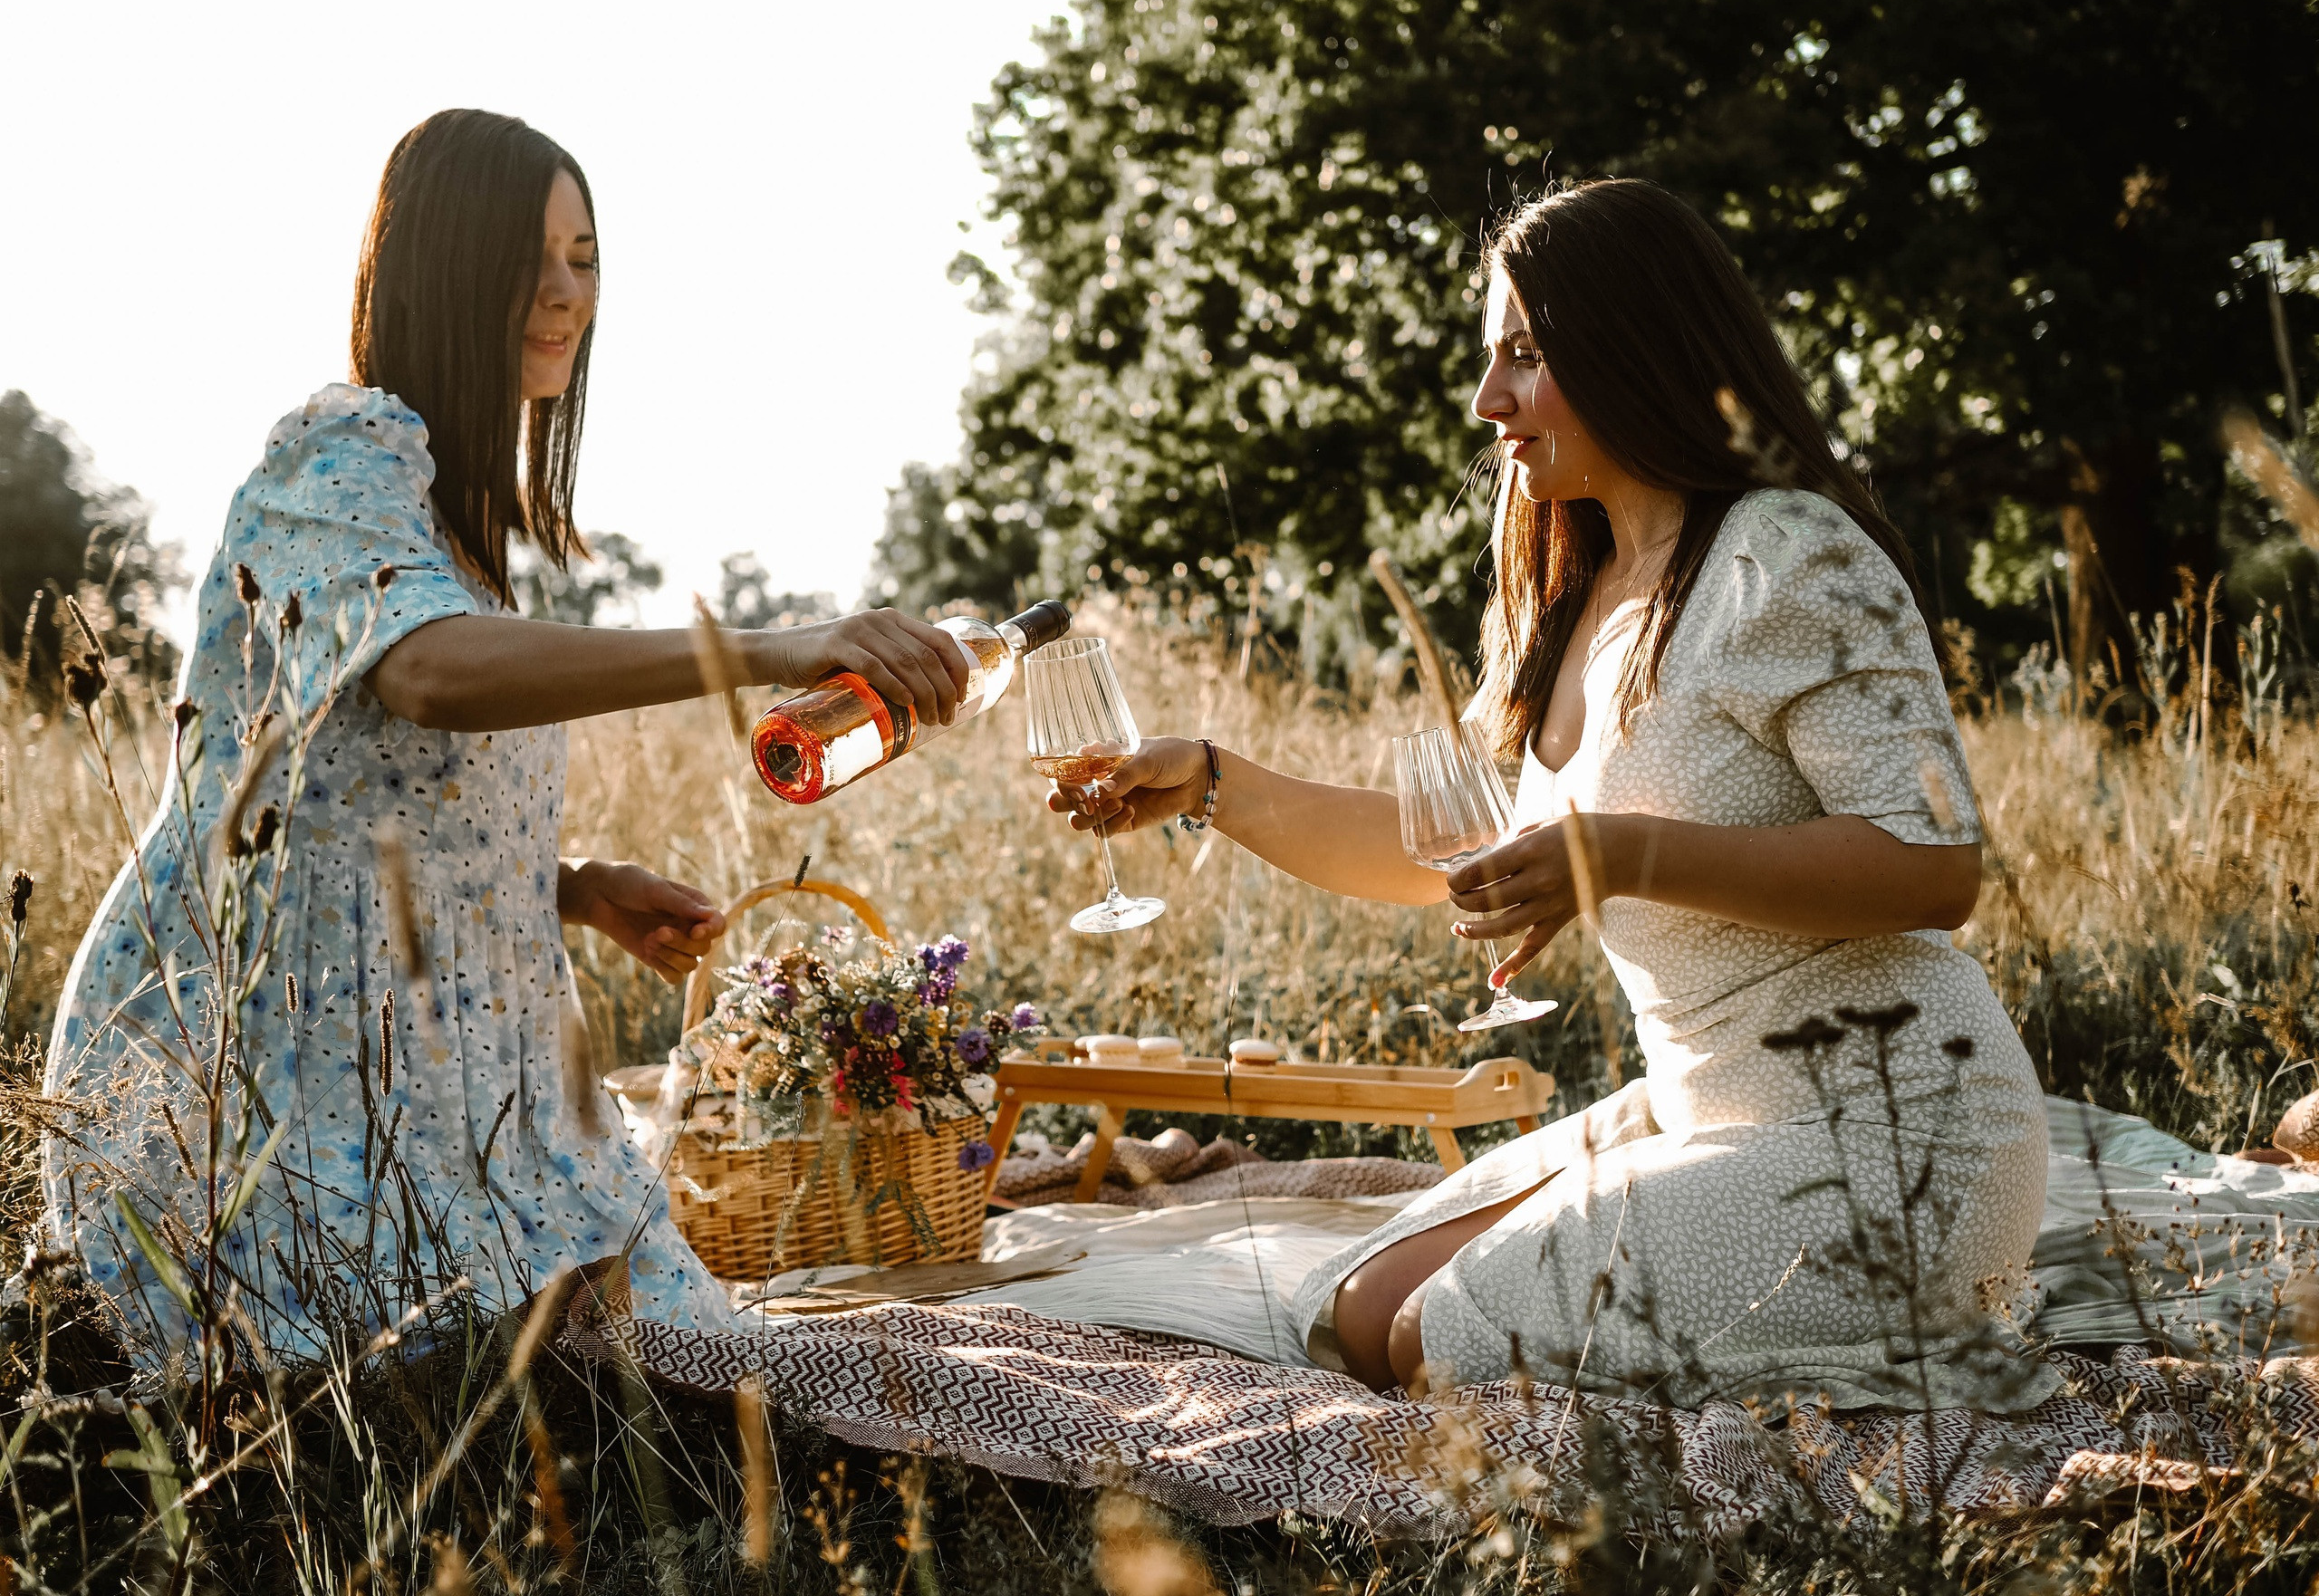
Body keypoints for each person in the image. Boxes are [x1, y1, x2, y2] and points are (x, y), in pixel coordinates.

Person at [1053, 179, 2054, 1413]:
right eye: (1492, 360)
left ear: (1632, 344)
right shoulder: (1579, 591)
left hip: (1895, 1136)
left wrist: (1620, 852)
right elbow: (1454, 854)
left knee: (1439, 1341)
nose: (1489, 404)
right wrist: (1210, 782)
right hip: (1706, 1113)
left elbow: (1935, 869)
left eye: (1524, 357)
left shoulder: (1787, 551)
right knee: (1358, 1313)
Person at [42, 109, 973, 1362]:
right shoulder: (339, 449)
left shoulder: (458, 532)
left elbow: (363, 818)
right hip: (260, 1096)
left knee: (693, 1339)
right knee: (660, 1358)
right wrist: (757, 648)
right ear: (434, 269)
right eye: (524, 257)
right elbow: (422, 675)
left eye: (584, 256)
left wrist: (577, 889)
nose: (562, 292)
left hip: (412, 1077)